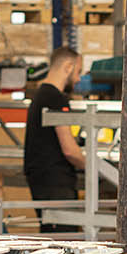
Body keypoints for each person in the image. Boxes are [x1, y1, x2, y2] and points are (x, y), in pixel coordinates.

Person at [21, 46, 87, 207]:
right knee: (63, 231)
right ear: (68, 67)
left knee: (51, 231)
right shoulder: (55, 99)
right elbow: (70, 150)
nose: (78, 79)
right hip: (56, 184)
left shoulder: (41, 95)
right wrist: (95, 168)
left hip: (43, 182)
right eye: (78, 72)